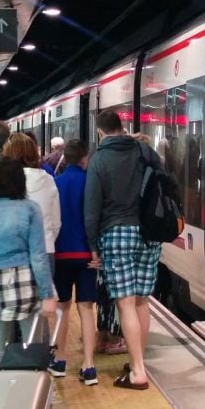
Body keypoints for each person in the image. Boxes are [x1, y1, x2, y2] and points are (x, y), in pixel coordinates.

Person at [85, 110, 164, 390]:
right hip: (149, 234)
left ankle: (138, 372)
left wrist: (93, 247)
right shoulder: (144, 151)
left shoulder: (99, 159)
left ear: (100, 132)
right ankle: (136, 363)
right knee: (143, 301)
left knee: (125, 303)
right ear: (122, 127)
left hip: (117, 233)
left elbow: (92, 209)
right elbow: (164, 184)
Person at [0, 159, 57, 382]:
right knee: (31, 349)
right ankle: (29, 401)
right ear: (20, 181)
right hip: (25, 283)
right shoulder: (29, 208)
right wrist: (47, 294)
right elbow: (38, 256)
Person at [48, 140, 99, 385]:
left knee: (62, 308)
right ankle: (89, 366)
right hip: (86, 256)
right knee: (87, 308)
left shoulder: (55, 184)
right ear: (83, 158)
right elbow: (93, 219)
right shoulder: (90, 183)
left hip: (60, 254)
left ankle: (60, 359)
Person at [2, 134, 61, 276]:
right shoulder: (48, 180)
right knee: (43, 297)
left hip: (12, 252)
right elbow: (56, 223)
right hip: (44, 250)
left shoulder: (5, 181)